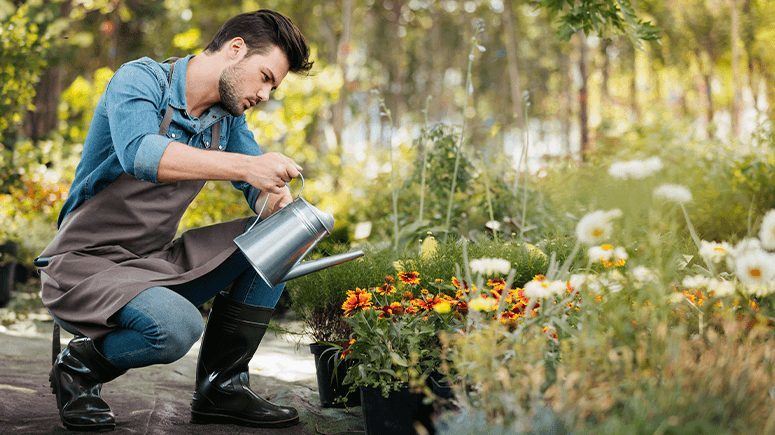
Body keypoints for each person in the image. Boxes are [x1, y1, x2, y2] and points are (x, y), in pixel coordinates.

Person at [38, 9, 313, 431]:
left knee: (283, 235)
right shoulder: (141, 80)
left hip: (152, 261)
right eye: (265, 77)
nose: (265, 94)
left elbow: (257, 186)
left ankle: (221, 389)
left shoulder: (227, 121)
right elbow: (141, 153)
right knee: (175, 327)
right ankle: (79, 367)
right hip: (86, 262)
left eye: (272, 86)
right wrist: (245, 168)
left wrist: (271, 200)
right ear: (235, 49)